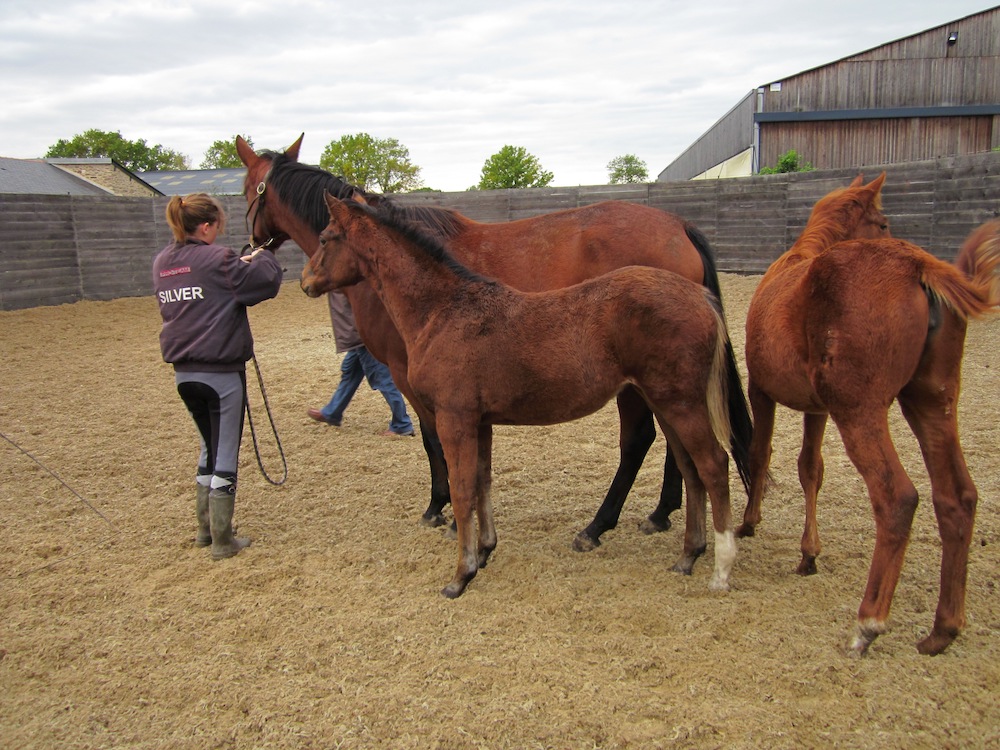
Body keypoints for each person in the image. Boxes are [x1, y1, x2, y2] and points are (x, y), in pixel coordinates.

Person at [153, 193, 283, 560]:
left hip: (184, 374)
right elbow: (263, 284)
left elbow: (206, 287)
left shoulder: (163, 261)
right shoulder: (219, 258)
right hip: (221, 374)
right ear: (207, 226)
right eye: (217, 225)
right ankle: (224, 541)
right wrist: (265, 255)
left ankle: (204, 530)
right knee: (225, 450)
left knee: (208, 448)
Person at [307, 290, 415, 437]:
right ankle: (332, 412)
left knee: (383, 379)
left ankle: (402, 424)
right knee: (350, 373)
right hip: (356, 337)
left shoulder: (348, 275)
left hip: (362, 336)